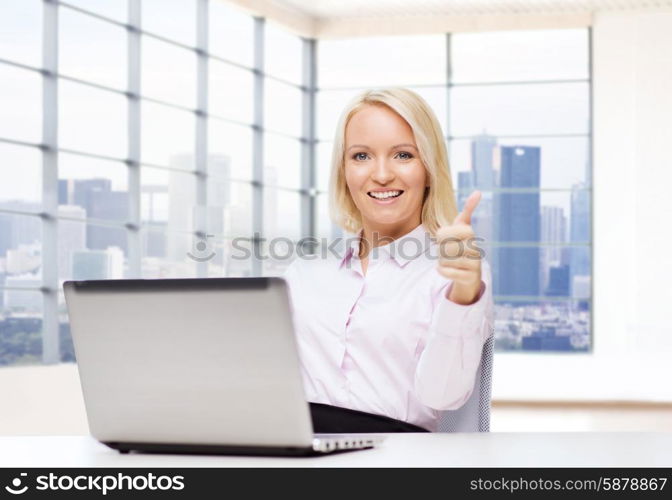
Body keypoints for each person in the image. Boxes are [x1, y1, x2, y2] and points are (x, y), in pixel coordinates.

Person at [283, 88, 494, 433]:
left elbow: (443, 395)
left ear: (428, 167)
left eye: (403, 155)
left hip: (398, 460)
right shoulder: (304, 274)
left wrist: (462, 297)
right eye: (361, 156)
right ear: (344, 171)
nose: (381, 175)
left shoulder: (455, 274)